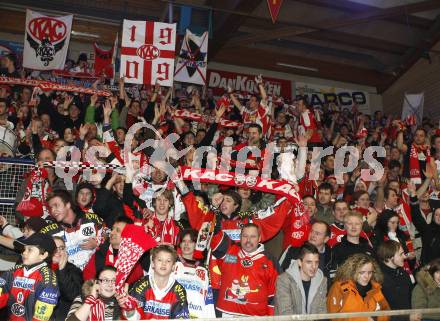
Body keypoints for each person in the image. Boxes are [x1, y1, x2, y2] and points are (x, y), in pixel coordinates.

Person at [210, 223, 278, 316]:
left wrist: (271, 318)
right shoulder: (230, 253)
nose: (248, 240)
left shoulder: (269, 261)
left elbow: (274, 295)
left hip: (255, 317)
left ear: (259, 238)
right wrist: (215, 229)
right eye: (245, 236)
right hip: (226, 314)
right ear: (240, 237)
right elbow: (216, 242)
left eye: (253, 236)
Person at [119, 245, 189, 320]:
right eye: (159, 260)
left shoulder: (179, 291)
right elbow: (132, 318)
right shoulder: (140, 285)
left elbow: (181, 318)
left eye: (168, 261)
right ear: (152, 263)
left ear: (173, 266)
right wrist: (129, 310)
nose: (163, 264)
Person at [0, 233, 59, 321]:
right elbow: (2, 295)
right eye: (24, 249)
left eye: (29, 250)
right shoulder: (13, 271)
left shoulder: (48, 279)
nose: (24, 252)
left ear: (43, 255)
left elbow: (41, 316)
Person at [42, 189, 104, 270]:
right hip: (69, 277)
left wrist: (97, 243)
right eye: (51, 207)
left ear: (68, 205)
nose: (53, 211)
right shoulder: (48, 231)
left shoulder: (92, 219)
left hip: (94, 273)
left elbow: (108, 234)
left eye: (56, 205)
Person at [83, 216, 146, 285]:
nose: (112, 232)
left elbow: (136, 286)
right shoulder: (101, 252)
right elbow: (87, 279)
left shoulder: (133, 258)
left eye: (118, 230)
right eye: (112, 229)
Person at [327, 253, 390, 321]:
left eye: (370, 272)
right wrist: (364, 319)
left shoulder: (376, 288)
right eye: (362, 272)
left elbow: (386, 311)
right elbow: (334, 317)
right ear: (352, 271)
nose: (367, 276)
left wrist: (375, 318)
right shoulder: (339, 287)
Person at [275, 242, 327, 315]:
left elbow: (322, 311)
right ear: (299, 262)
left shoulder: (322, 281)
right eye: (309, 262)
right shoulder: (284, 280)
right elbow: (286, 313)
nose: (314, 266)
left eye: (316, 262)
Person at [174, 229, 216, 318]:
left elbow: (208, 298)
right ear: (180, 244)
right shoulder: (172, 264)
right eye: (184, 241)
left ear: (196, 244)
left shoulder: (203, 268)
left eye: (190, 241)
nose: (186, 244)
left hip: (196, 314)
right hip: (174, 314)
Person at [377, 240, 417, 321]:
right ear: (389, 257)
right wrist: (407, 318)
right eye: (400, 254)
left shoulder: (403, 273)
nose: (405, 256)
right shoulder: (378, 279)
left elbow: (412, 297)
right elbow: (381, 312)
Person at [52, 236, 83, 321]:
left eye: (61, 248)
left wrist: (62, 270)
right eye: (54, 248)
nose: (58, 251)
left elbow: (73, 296)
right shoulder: (41, 268)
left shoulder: (73, 270)